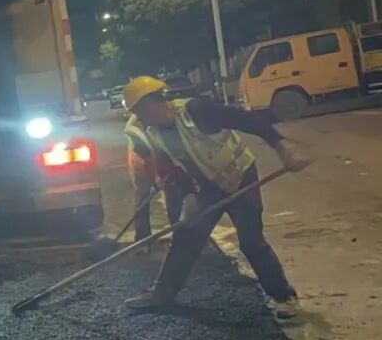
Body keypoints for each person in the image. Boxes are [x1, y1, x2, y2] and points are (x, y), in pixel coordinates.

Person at [120, 76, 311, 322]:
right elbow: (173, 168)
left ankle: (284, 297)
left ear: (151, 105)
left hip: (241, 178)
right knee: (186, 237)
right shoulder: (155, 132)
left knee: (251, 242)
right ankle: (162, 294)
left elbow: (250, 121)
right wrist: (189, 197)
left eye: (139, 112)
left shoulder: (197, 111)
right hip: (208, 186)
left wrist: (282, 148)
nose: (139, 119)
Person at [124, 111, 185, 241]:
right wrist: (156, 178)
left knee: (173, 193)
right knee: (143, 194)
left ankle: (179, 233)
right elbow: (146, 158)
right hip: (140, 161)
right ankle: (143, 238)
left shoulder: (167, 114)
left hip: (163, 156)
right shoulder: (135, 128)